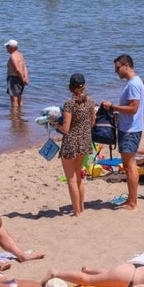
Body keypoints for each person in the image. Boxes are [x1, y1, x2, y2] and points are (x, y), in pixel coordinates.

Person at [107, 54, 144, 209]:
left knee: (129, 166)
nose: (116, 71)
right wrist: (118, 113)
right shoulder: (133, 82)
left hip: (131, 130)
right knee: (128, 165)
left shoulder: (133, 84)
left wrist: (112, 107)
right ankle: (130, 199)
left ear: (126, 66)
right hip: (129, 127)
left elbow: (133, 108)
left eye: (117, 68)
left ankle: (133, 202)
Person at [58, 74, 96, 216]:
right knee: (79, 178)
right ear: (84, 86)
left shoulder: (69, 104)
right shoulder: (90, 102)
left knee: (71, 179)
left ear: (70, 87)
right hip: (84, 141)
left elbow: (65, 129)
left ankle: (76, 211)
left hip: (71, 143)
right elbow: (92, 122)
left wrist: (54, 123)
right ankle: (81, 207)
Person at [4, 39, 29, 114]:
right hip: (21, 77)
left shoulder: (13, 56)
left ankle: (15, 115)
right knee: (19, 97)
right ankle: (20, 113)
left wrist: (22, 79)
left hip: (14, 78)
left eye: (7, 46)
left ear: (12, 47)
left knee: (14, 98)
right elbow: (24, 66)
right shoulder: (20, 54)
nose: (6, 48)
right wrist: (25, 77)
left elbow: (17, 69)